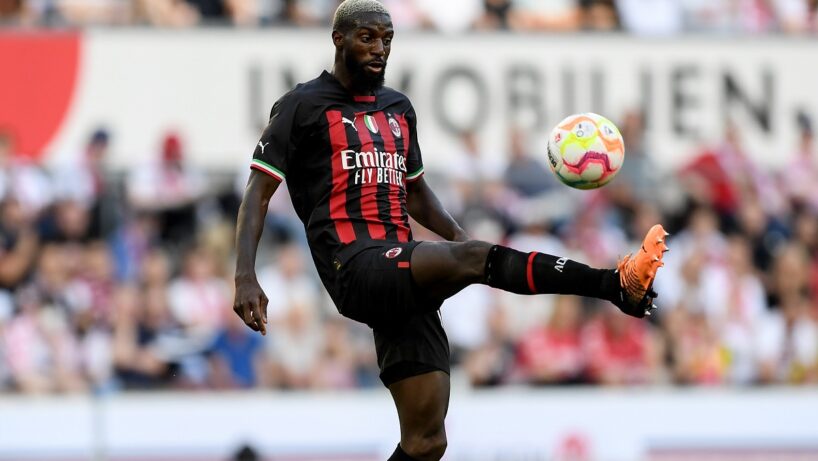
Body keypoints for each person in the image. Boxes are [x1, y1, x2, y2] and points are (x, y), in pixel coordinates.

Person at [233, 1, 667, 460]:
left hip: (401, 270)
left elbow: (417, 194)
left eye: (387, 39)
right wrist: (245, 275)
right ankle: (615, 285)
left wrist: (463, 243)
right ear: (338, 39)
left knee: (426, 442)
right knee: (475, 258)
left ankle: (610, 285)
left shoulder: (398, 108)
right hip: (354, 265)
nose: (379, 49)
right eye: (367, 38)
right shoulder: (301, 106)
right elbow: (257, 193)